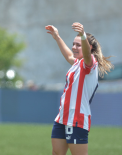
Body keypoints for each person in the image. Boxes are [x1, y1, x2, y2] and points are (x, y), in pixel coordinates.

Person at [45, 22, 113, 155]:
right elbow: (69, 56)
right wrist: (57, 37)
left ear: (89, 47)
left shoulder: (90, 63)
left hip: (76, 119)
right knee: (57, 153)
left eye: (78, 45)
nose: (74, 47)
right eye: (73, 44)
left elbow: (87, 55)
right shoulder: (77, 63)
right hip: (62, 117)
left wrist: (83, 34)